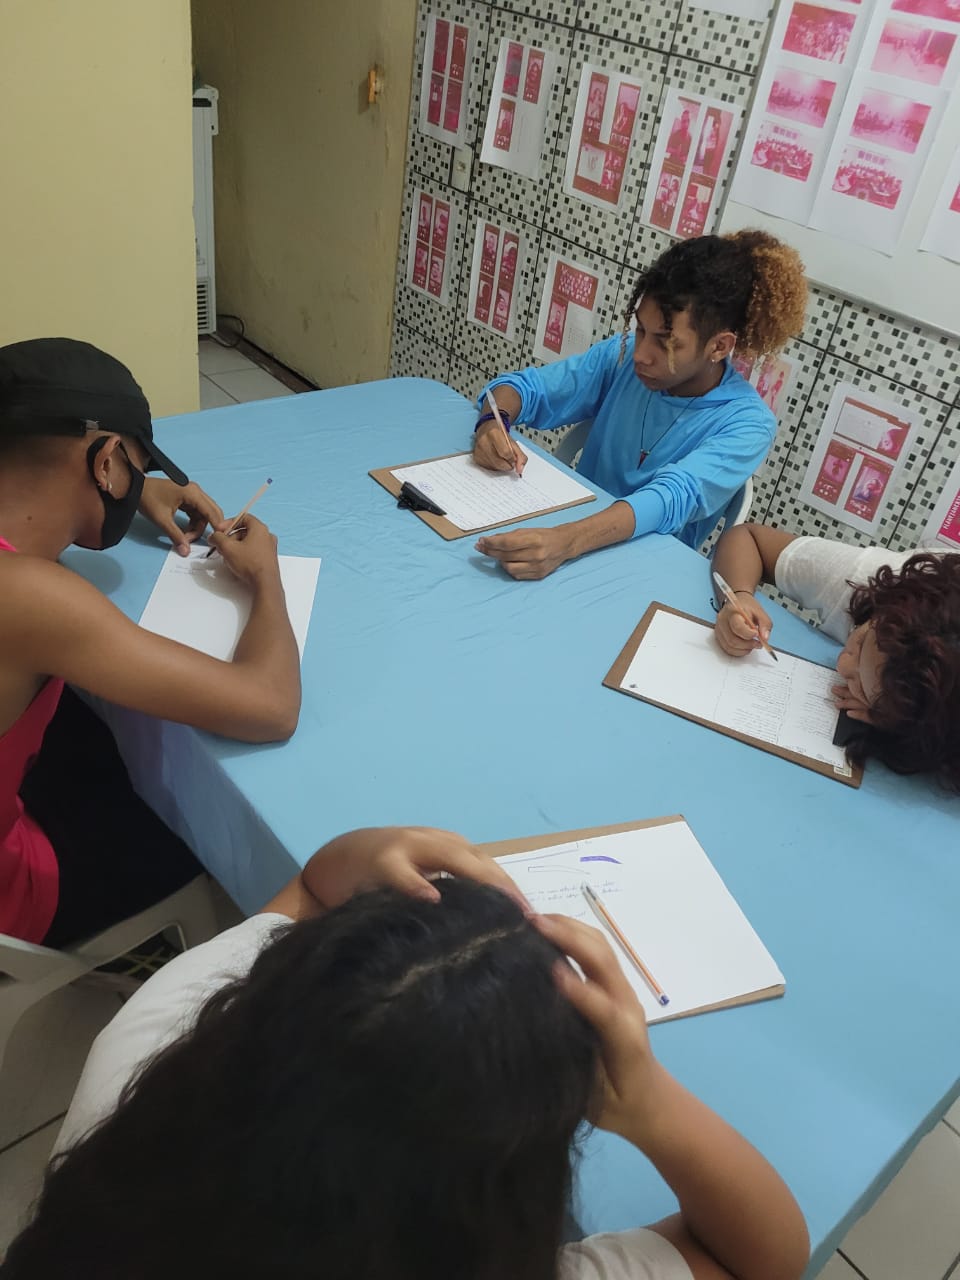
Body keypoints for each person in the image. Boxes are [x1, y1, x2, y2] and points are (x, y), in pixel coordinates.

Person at [2, 827, 810, 1280]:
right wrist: (650, 1104)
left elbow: (312, 888)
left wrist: (377, 848)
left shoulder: (146, 1051)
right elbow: (762, 1260)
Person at [0, 337, 301, 947]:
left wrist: (135, 492)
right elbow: (271, 706)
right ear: (105, 462)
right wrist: (267, 579)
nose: (137, 483)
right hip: (16, 892)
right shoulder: (31, 597)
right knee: (199, 822)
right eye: (135, 468)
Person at [472, 231, 808, 579]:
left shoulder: (748, 424)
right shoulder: (622, 356)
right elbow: (526, 388)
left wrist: (567, 541)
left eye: (666, 342)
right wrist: (492, 424)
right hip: (564, 540)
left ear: (719, 346)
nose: (641, 354)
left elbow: (669, 498)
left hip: (642, 575)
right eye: (641, 330)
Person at [711, 522, 960, 788]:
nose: (842, 665)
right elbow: (748, 538)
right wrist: (738, 596)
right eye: (860, 641)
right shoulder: (876, 580)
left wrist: (894, 730)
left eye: (862, 686)